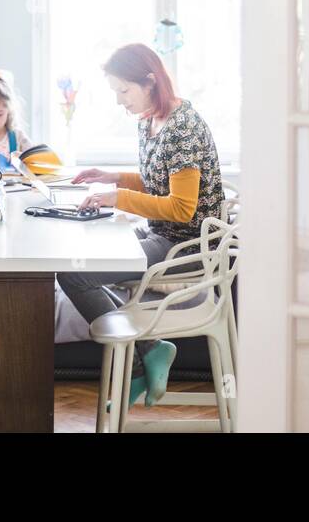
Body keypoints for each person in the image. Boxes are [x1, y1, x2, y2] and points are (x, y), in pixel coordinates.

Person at [57, 43, 225, 408]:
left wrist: (117, 196)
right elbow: (159, 181)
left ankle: (137, 364)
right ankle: (151, 349)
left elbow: (181, 208)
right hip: (162, 234)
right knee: (82, 253)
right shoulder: (149, 120)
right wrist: (113, 176)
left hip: (188, 247)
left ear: (150, 82)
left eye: (123, 90)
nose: (120, 101)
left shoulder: (184, 128)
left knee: (73, 275)